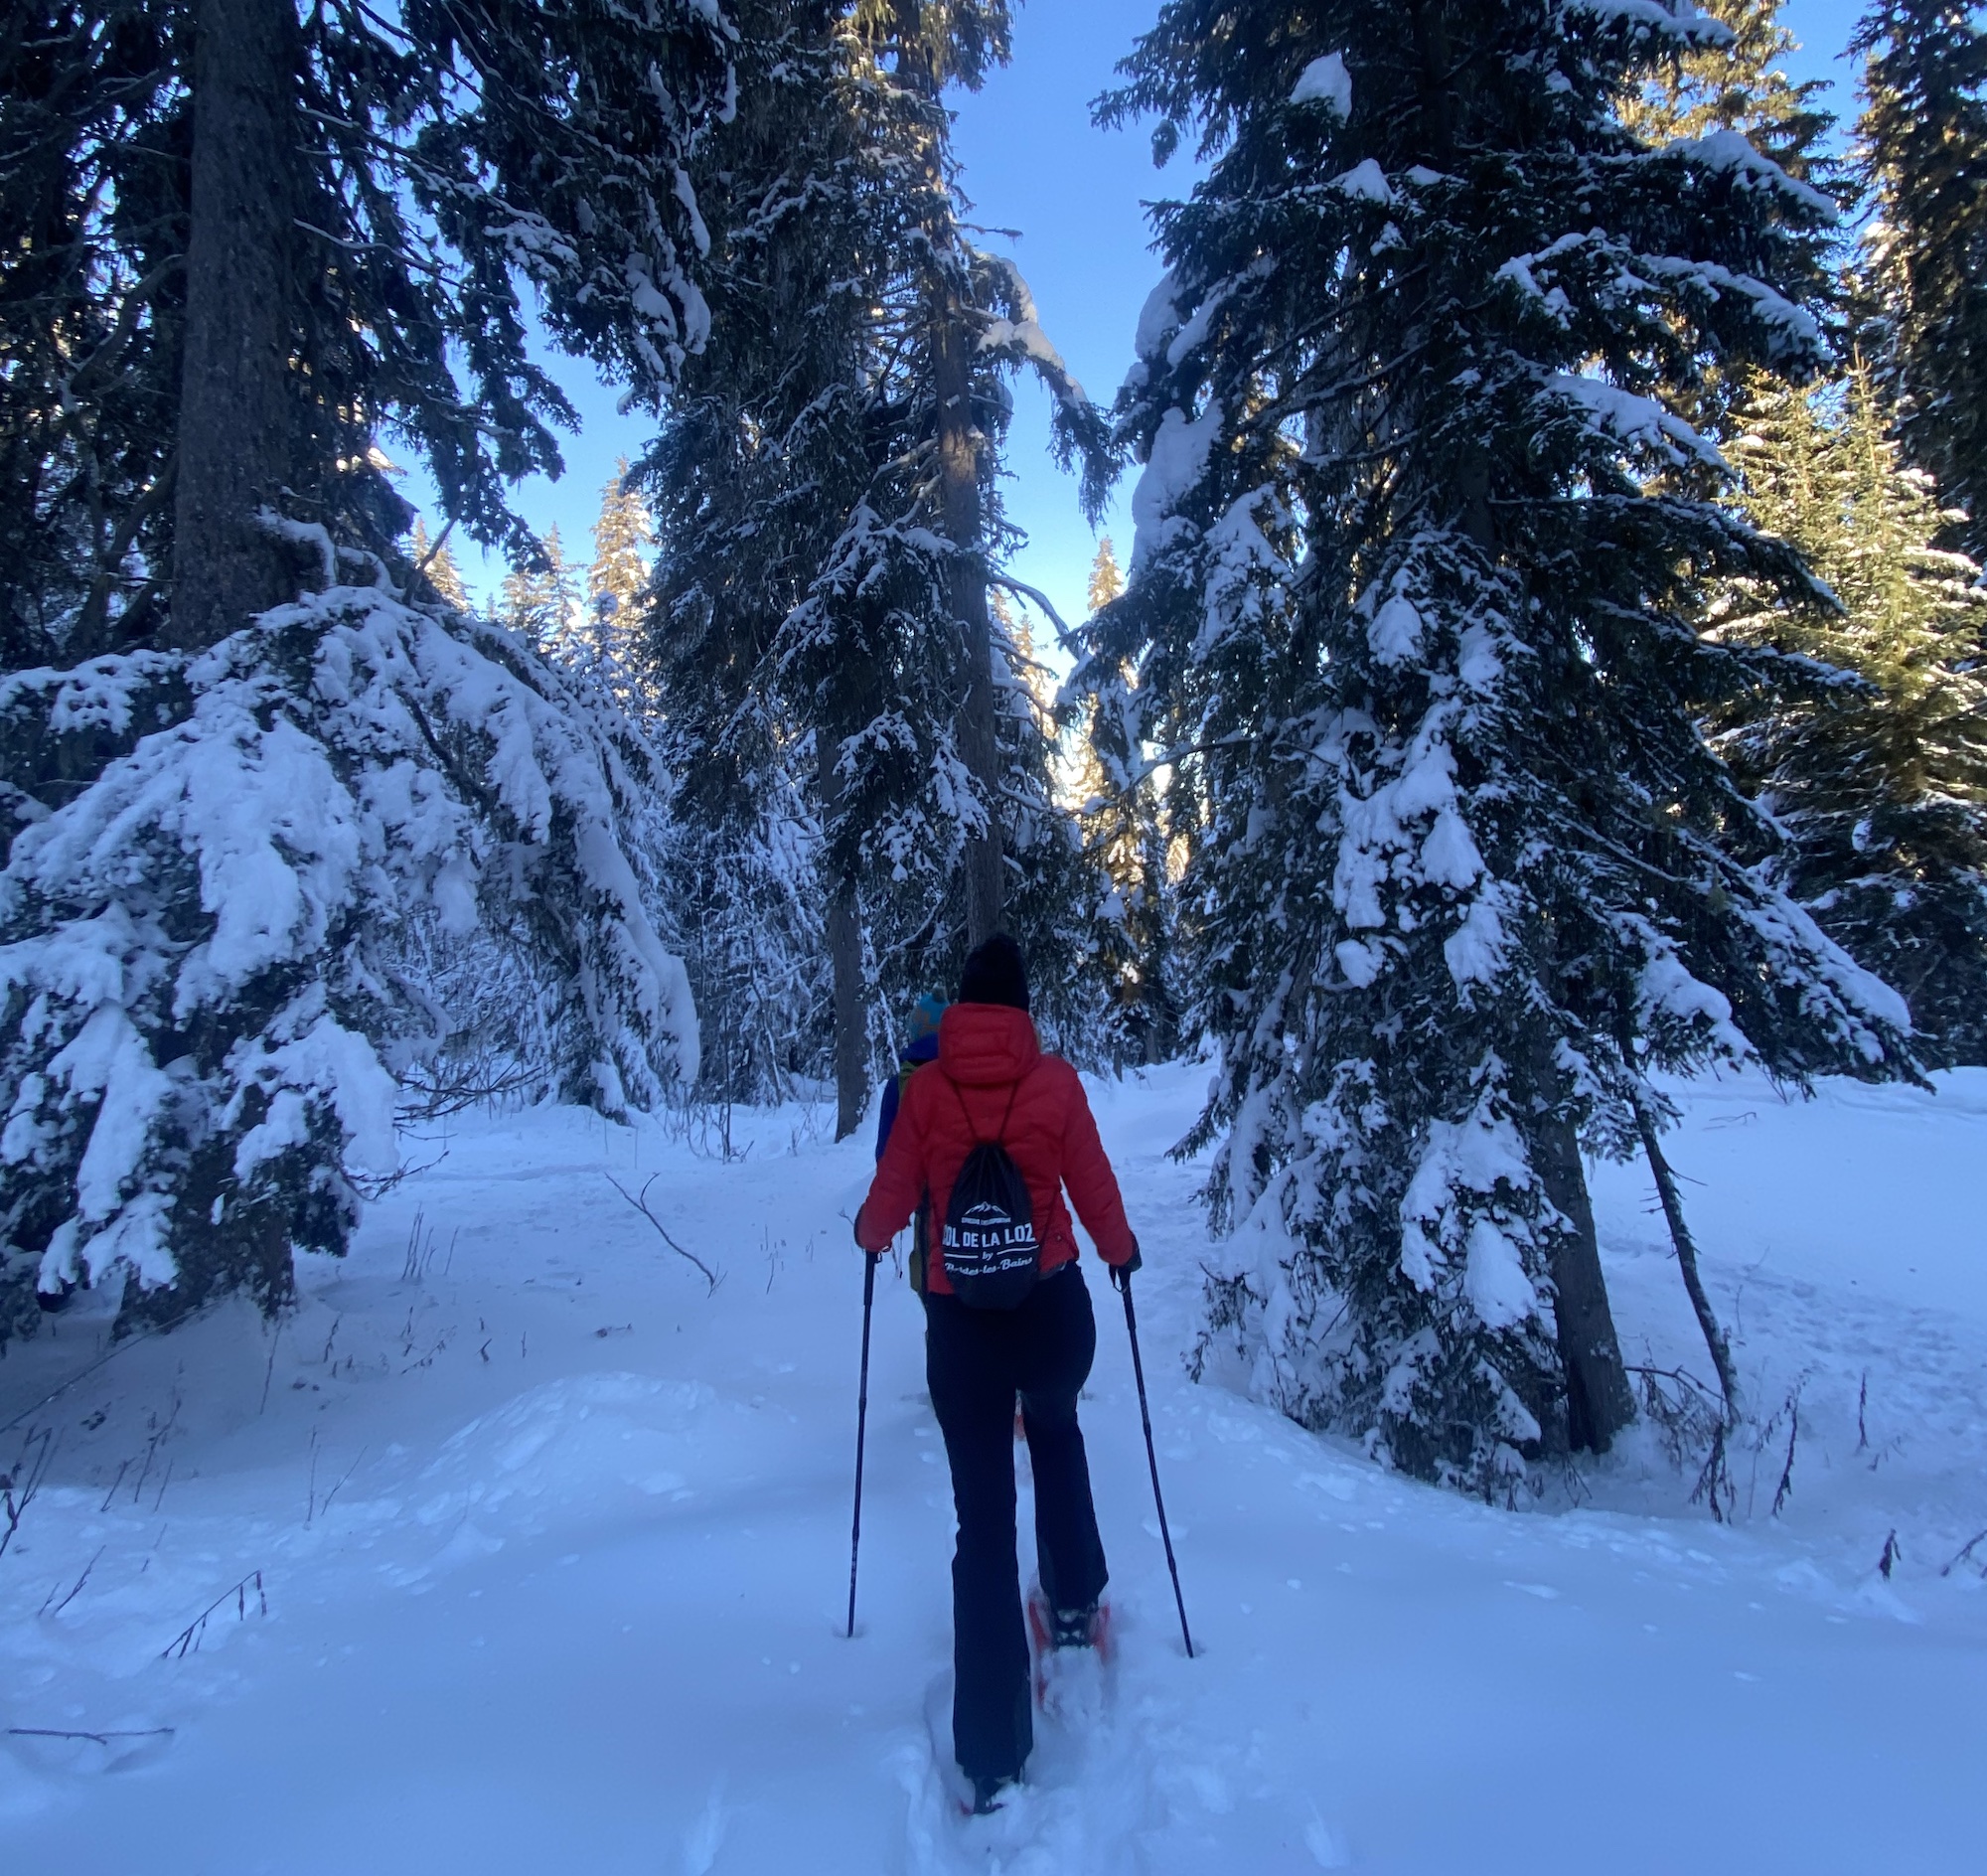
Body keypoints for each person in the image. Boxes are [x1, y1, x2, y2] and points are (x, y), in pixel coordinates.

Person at [854, 933, 1142, 1813]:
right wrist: (1122, 1253)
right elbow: (1094, 1189)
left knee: (982, 1524)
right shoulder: (1055, 1083)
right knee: (1055, 1432)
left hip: (963, 1328)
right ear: (1021, 1010)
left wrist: (870, 1239)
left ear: (961, 1009)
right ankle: (1071, 1604)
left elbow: (892, 1198)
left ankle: (991, 1756)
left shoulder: (927, 1089)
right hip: (1053, 1312)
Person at [876, 994, 945, 1293]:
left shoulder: (899, 1085)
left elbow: (886, 1159)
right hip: (976, 1201)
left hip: (927, 1206)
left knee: (930, 1280)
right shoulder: (968, 1076)